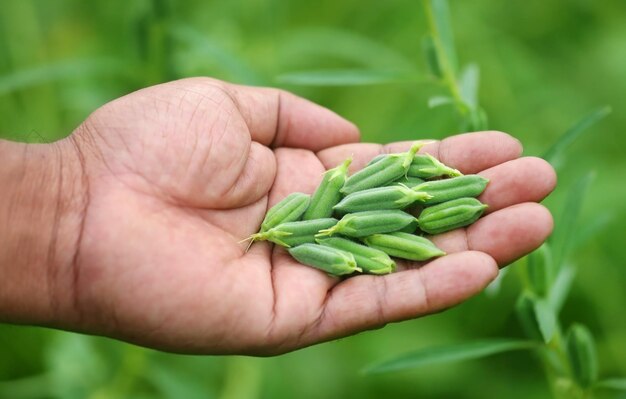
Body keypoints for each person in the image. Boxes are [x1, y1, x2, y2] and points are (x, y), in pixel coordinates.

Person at [0, 78, 556, 355]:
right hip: (330, 224)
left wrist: (64, 207)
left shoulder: (361, 198)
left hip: (337, 221)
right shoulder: (338, 205)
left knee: (456, 211)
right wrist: (65, 206)